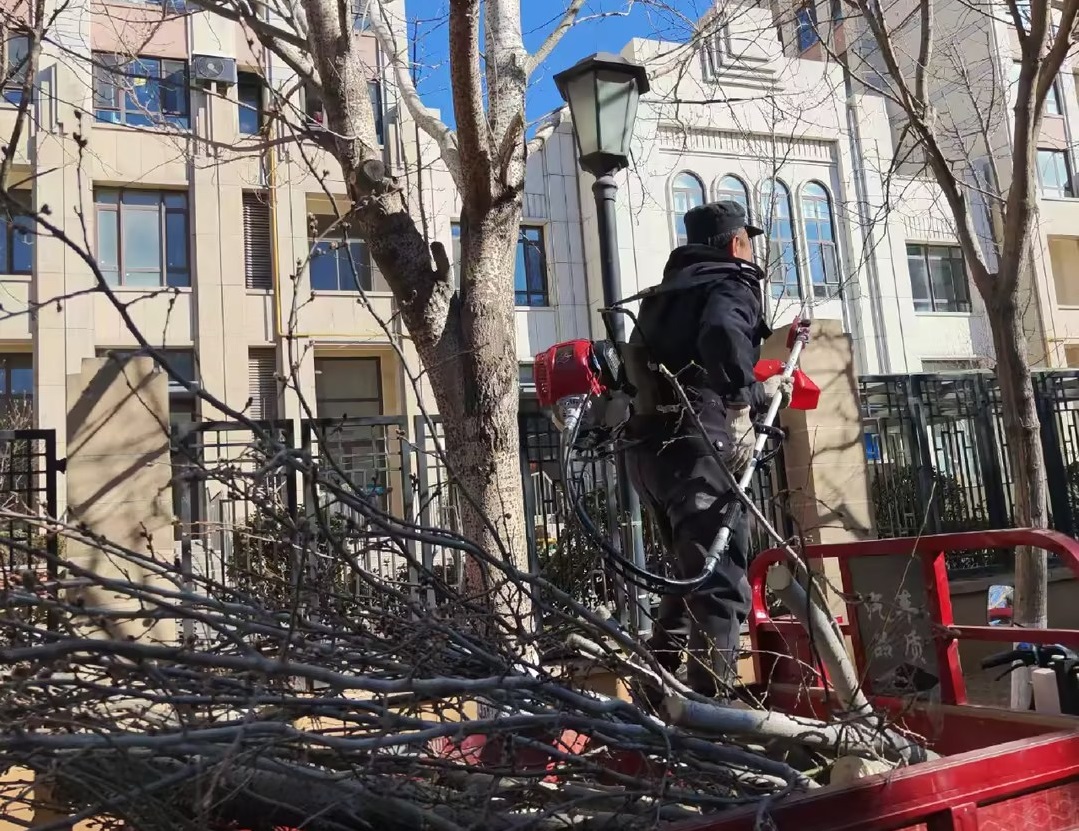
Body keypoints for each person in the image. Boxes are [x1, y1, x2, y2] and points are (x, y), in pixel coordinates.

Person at [623, 200, 792, 702]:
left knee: (689, 574)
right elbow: (721, 332)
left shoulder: (662, 295)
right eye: (749, 243)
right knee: (719, 586)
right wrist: (745, 397)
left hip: (648, 452)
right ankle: (710, 714)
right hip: (698, 448)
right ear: (737, 243)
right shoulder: (729, 282)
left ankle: (654, 698)